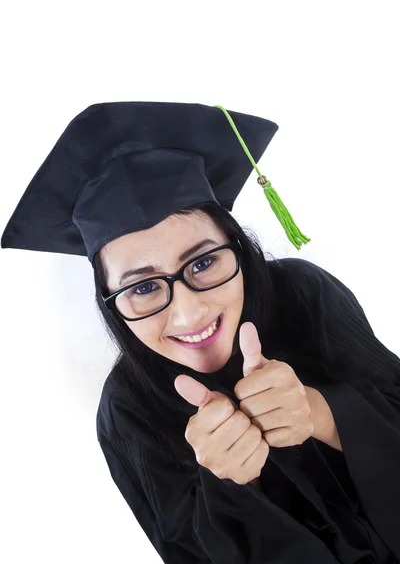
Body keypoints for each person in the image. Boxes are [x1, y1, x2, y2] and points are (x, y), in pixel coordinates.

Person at [2, 101, 400, 564]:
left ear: (239, 247)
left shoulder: (302, 295)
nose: (189, 315)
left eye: (204, 262)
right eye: (144, 287)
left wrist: (324, 414)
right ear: (111, 302)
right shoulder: (126, 410)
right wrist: (230, 492)